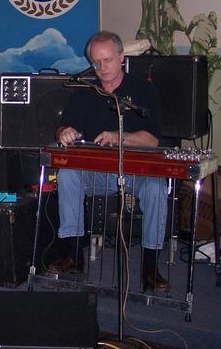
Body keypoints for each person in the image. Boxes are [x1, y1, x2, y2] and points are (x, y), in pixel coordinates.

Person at [47, 30, 169, 292]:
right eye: (96, 62)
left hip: (135, 172)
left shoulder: (143, 90)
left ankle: (151, 268)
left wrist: (119, 136)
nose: (102, 67)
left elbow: (152, 140)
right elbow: (62, 129)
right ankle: (74, 254)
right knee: (67, 174)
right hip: (98, 173)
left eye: (108, 60)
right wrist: (65, 132)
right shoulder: (85, 92)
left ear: (122, 57)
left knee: (157, 187)